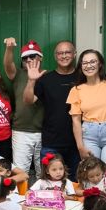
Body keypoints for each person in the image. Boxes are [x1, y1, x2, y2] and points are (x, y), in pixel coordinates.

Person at [23, 40, 80, 173]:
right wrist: (31, 80)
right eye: (60, 53)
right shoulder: (46, 79)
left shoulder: (82, 77)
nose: (64, 56)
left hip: (77, 143)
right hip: (51, 142)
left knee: (76, 184)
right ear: (55, 56)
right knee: (49, 184)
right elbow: (28, 100)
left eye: (67, 52)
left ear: (74, 54)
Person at [67, 49, 106, 164]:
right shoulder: (76, 90)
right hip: (89, 136)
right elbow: (76, 121)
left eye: (93, 62)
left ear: (100, 64)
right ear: (81, 66)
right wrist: (80, 147)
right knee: (91, 173)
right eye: (85, 63)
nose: (89, 66)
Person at [4, 38, 44, 177]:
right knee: (21, 172)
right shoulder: (18, 74)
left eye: (32, 56)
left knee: (44, 173)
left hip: (44, 132)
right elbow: (8, 65)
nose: (29, 60)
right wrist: (9, 49)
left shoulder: (47, 76)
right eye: (25, 57)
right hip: (21, 131)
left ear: (40, 57)